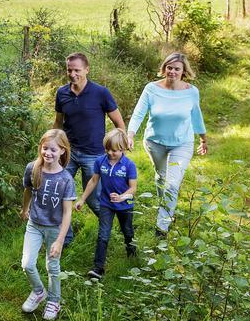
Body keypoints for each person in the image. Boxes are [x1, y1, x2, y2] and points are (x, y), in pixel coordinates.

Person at [127, 52, 208, 237]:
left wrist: (203, 139)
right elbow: (139, 113)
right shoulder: (151, 89)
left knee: (172, 184)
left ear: (183, 71)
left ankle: (162, 227)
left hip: (182, 143)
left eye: (176, 69)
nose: (172, 71)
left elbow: (196, 116)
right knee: (161, 177)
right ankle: (165, 205)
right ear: (164, 69)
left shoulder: (191, 92)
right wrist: (130, 134)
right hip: (155, 142)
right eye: (169, 68)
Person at [54, 53, 126, 243]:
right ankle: (65, 239)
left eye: (77, 70)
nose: (72, 74)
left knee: (94, 199)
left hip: (93, 154)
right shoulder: (61, 93)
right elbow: (58, 123)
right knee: (60, 195)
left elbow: (118, 123)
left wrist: (120, 147)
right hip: (67, 153)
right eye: (69, 70)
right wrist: (52, 145)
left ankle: (110, 230)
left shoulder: (100, 93)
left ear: (87, 70)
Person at [20, 129, 76, 321]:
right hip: (34, 224)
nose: (48, 153)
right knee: (27, 263)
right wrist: (24, 208)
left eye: (53, 149)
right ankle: (38, 292)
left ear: (62, 151)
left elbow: (68, 212)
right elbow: (28, 190)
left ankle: (54, 301)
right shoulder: (33, 168)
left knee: (52, 266)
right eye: (45, 148)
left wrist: (60, 240)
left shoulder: (66, 179)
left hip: (54, 228)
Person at [76, 128, 137, 279]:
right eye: (107, 149)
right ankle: (98, 268)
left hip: (125, 205)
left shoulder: (129, 165)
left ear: (123, 148)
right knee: (103, 235)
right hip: (106, 204)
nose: (110, 153)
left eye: (114, 150)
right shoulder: (100, 161)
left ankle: (132, 253)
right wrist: (82, 199)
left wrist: (122, 197)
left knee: (127, 231)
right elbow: (94, 180)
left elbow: (133, 188)